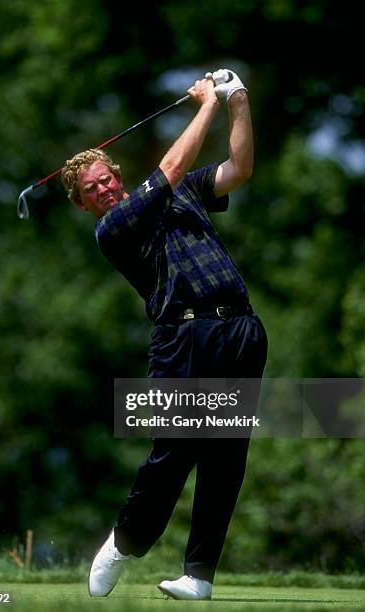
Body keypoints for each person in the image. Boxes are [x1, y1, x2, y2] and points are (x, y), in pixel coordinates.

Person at [61, 68, 268, 601]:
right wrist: (205, 104)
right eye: (91, 189)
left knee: (226, 455)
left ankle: (199, 574)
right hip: (181, 338)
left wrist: (236, 98)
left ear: (116, 173)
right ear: (83, 203)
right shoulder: (115, 227)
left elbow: (239, 169)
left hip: (239, 330)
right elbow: (174, 165)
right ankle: (125, 544)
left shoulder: (186, 196)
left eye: (106, 178)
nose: (104, 188)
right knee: (174, 450)